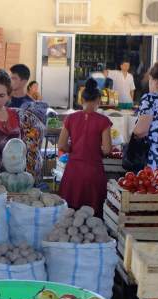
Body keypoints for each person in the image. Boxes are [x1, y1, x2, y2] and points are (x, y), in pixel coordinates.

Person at [57, 78, 112, 218]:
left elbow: (62, 145)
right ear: (99, 100)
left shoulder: (70, 118)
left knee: (69, 217)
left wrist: (75, 149)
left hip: (73, 171)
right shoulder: (103, 121)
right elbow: (107, 149)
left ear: (82, 100)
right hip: (94, 172)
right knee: (93, 217)